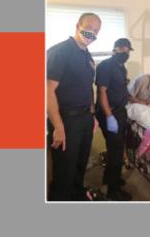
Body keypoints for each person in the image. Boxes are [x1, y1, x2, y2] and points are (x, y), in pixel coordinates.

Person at [46, 12, 100, 201]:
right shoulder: (60, 52)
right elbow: (47, 90)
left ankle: (77, 195)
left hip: (85, 118)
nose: (92, 33)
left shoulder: (86, 55)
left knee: (80, 163)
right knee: (65, 169)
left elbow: (87, 88)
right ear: (78, 25)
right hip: (66, 120)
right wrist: (58, 126)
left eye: (96, 31)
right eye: (89, 28)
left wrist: (92, 116)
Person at [94, 38, 134, 201]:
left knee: (116, 149)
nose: (125, 52)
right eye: (122, 49)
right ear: (115, 49)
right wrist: (109, 117)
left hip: (120, 112)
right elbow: (101, 92)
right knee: (116, 152)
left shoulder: (121, 67)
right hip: (109, 114)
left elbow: (122, 89)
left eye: (128, 50)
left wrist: (139, 100)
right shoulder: (105, 66)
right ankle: (113, 190)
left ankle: (112, 178)